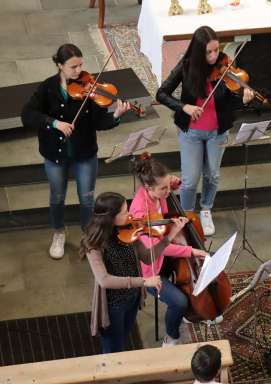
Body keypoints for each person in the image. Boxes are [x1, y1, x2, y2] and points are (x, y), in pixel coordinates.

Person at [21, 43, 130, 260]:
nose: (79, 71)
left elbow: (100, 121)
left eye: (80, 65)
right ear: (60, 65)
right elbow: (27, 115)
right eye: (73, 67)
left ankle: (88, 234)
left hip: (85, 154)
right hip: (55, 154)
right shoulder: (48, 88)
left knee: (87, 198)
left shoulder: (89, 87)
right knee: (57, 196)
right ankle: (59, 232)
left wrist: (116, 115)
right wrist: (53, 123)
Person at [156, 25, 255, 236]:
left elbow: (231, 101)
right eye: (208, 52)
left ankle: (206, 209)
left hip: (217, 132)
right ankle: (187, 214)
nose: (213, 56)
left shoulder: (224, 68)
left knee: (212, 175)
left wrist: (244, 100)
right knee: (190, 180)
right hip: (190, 132)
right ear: (198, 51)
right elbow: (161, 94)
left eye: (216, 50)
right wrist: (184, 107)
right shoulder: (186, 66)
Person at [80, 191, 188, 353]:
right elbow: (104, 280)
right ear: (110, 217)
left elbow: (146, 257)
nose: (130, 214)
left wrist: (169, 236)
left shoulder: (129, 229)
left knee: (122, 340)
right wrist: (144, 281)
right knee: (112, 351)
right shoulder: (94, 243)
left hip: (132, 298)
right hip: (113, 306)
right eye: (124, 212)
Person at [129, 156, 208, 347]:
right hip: (150, 269)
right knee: (179, 302)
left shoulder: (158, 192)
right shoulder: (140, 212)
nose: (168, 191)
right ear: (148, 188)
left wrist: (173, 183)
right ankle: (170, 337)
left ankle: (191, 312)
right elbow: (157, 249)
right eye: (163, 188)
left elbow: (171, 185)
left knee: (197, 274)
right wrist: (192, 251)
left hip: (166, 255)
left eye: (167, 186)